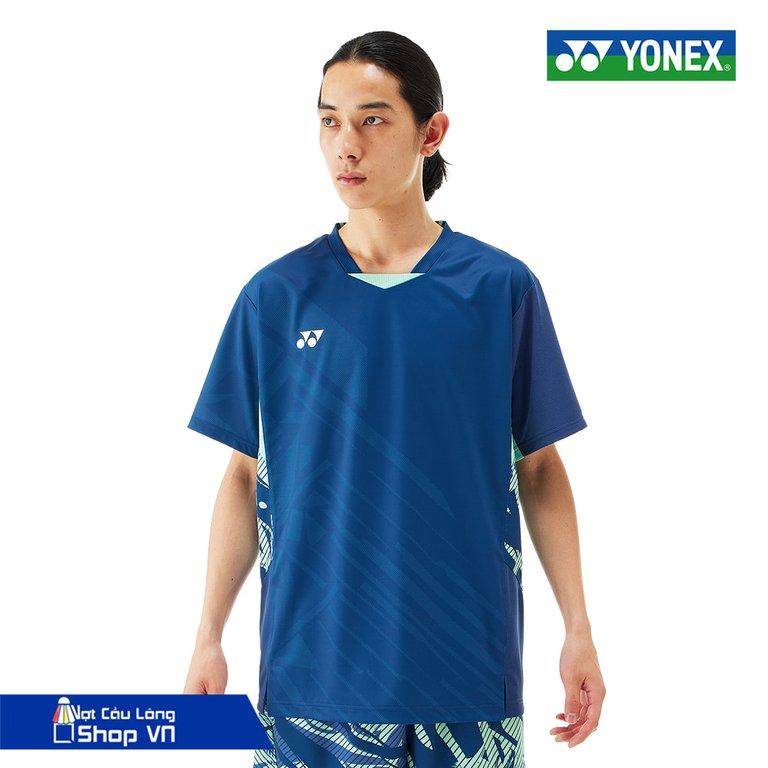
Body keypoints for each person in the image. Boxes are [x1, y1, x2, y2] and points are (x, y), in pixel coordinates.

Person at [183, 30, 605, 767]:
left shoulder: (499, 289)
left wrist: (578, 629)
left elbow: (539, 467)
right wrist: (208, 636)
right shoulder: (275, 297)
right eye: (329, 121)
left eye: (372, 120)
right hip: (312, 681)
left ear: (430, 132)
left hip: (467, 682)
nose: (346, 145)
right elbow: (246, 476)